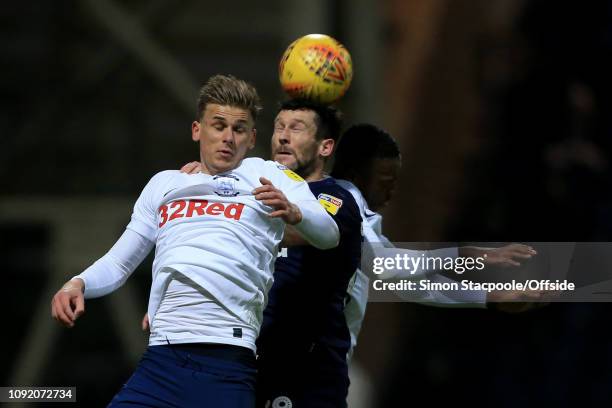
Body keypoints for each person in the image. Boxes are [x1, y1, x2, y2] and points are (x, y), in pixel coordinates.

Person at [50, 75, 339, 407]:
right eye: (218, 126)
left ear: (251, 138)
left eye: (239, 129)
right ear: (197, 130)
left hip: (227, 363)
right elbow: (121, 260)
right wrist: (78, 282)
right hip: (161, 361)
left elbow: (329, 235)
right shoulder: (166, 183)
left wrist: (294, 212)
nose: (228, 138)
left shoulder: (270, 177)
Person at [332, 123, 545, 358]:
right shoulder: (335, 204)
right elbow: (387, 266)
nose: (390, 194)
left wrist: (491, 297)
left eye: (394, 184)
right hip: (305, 363)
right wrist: (468, 254)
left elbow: (411, 285)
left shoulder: (359, 223)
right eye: (384, 183)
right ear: (354, 177)